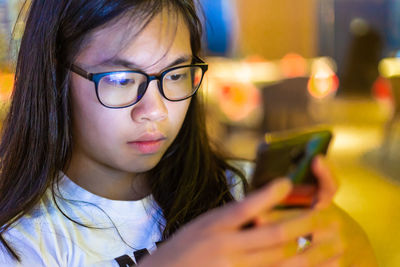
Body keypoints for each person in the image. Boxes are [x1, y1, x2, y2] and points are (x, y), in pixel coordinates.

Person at [0, 0, 377, 266]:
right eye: (120, 79)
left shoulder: (239, 191)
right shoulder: (22, 243)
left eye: (176, 75)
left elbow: (359, 251)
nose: (156, 110)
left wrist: (329, 240)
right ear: (54, 78)